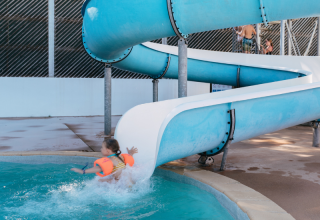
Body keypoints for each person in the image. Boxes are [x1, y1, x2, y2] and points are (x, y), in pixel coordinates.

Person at [71, 139, 138, 182]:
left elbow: (99, 168)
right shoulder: (120, 157)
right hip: (130, 180)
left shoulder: (110, 160)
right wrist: (130, 153)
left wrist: (83, 171)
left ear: (107, 150)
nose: (101, 149)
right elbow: (128, 160)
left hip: (120, 183)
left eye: (102, 147)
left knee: (99, 180)